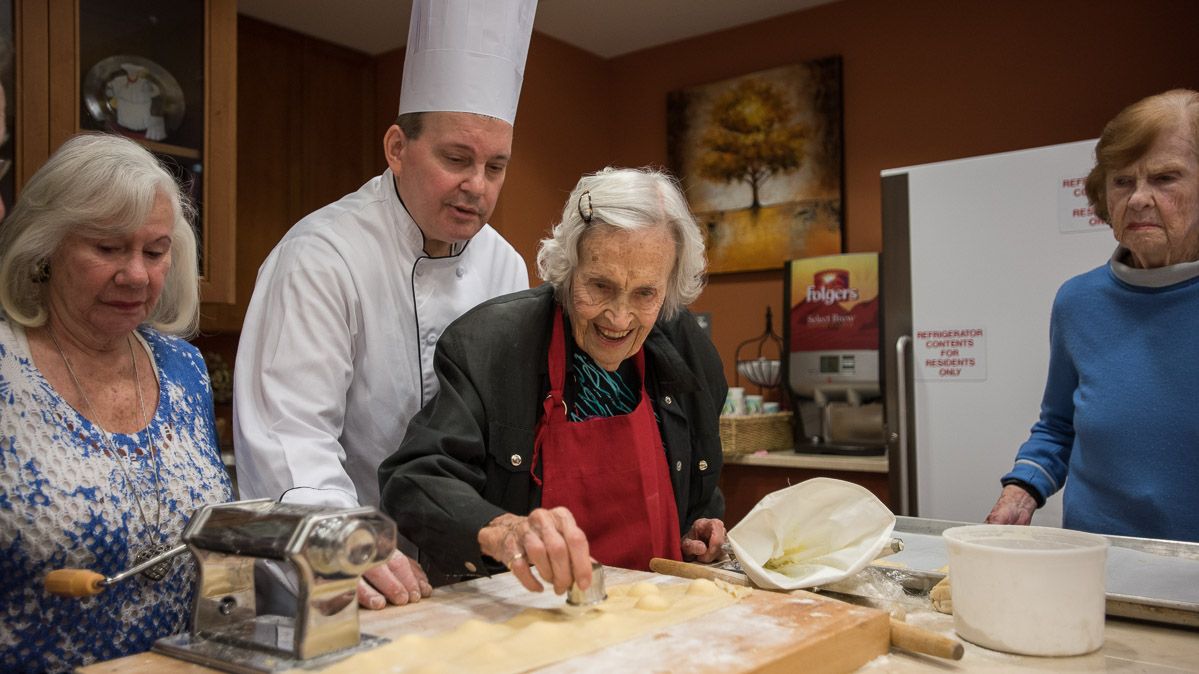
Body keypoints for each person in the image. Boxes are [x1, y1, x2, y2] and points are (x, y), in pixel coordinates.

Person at [233, 0, 536, 611]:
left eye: (495, 166)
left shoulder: (506, 266)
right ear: (398, 148)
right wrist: (345, 542)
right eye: (456, 159)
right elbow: (291, 440)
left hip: (467, 575)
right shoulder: (321, 257)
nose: (477, 186)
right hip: (345, 581)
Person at [378, 167, 729, 595]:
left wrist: (699, 528)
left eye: (645, 293)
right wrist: (501, 530)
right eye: (599, 286)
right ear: (567, 267)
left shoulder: (688, 355)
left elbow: (698, 487)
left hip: (651, 616)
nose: (618, 318)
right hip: (529, 618)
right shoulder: (492, 346)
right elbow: (414, 479)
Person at [0, 133, 234, 672]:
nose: (136, 275)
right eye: (107, 248)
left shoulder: (183, 370)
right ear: (45, 247)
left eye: (155, 252)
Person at [986, 89, 1199, 542]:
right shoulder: (1079, 302)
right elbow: (1059, 425)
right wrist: (1021, 489)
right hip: (1096, 561)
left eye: (1164, 178)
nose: (1139, 198)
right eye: (1122, 181)